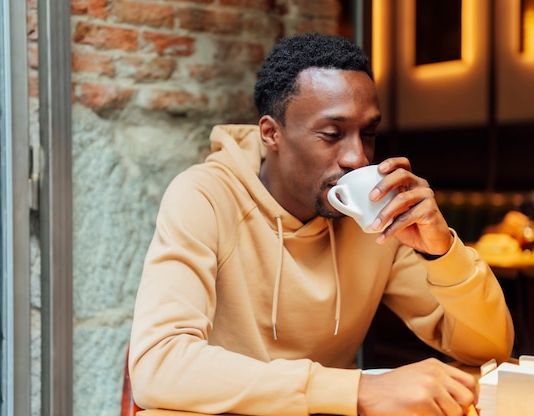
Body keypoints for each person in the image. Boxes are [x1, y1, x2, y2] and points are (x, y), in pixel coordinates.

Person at [128, 33, 514, 416]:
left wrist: (442, 250)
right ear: (271, 133)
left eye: (368, 133)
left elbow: (488, 347)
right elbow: (159, 364)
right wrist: (357, 390)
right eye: (332, 134)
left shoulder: (373, 217)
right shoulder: (205, 196)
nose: (357, 157)